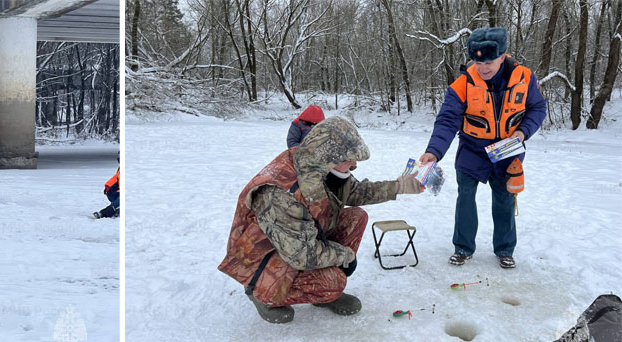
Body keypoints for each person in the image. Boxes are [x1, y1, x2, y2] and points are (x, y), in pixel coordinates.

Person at [219, 116, 424, 323]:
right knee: (333, 282)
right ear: (329, 158)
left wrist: (399, 187)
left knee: (356, 217)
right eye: (349, 159)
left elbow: (356, 191)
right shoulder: (280, 194)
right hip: (264, 259)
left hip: (298, 241)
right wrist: (344, 255)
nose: (354, 165)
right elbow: (302, 255)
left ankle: (321, 293)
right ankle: (263, 294)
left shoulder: (321, 168)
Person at [418, 27, 546, 269]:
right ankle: (463, 248)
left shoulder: (525, 77)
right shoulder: (462, 84)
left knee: (505, 198)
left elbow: (538, 108)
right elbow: (447, 119)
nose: (483, 68)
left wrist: (523, 132)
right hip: (472, 149)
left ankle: (505, 249)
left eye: (488, 62)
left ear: (502, 56)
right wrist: (433, 151)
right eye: (477, 62)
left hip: (508, 150)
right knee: (465, 197)